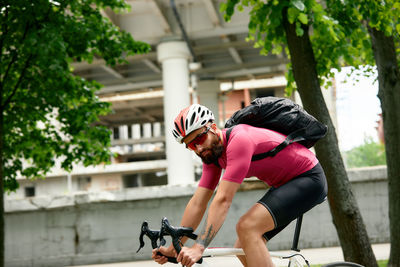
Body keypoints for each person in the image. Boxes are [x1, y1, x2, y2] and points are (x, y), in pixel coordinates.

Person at [152, 104, 328, 267]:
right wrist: (176, 247)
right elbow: (198, 203)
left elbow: (223, 200)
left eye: (200, 138)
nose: (198, 148)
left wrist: (199, 247)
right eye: (191, 145)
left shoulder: (239, 140)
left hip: (308, 178)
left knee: (247, 226)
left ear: (213, 128)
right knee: (243, 246)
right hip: (285, 183)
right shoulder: (212, 156)